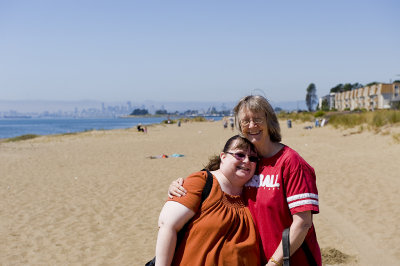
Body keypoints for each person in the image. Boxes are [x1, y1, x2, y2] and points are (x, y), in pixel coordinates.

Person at [169, 95, 321, 266]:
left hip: (290, 261)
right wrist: (182, 186)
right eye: (245, 121)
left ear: (269, 121)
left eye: (257, 119)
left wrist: (274, 263)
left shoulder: (291, 163)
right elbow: (215, 179)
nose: (251, 125)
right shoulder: (247, 162)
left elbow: (303, 223)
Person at [155, 135, 261, 266]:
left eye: (253, 158)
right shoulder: (201, 182)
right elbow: (167, 225)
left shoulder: (255, 194)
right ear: (223, 156)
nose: (246, 161)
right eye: (240, 155)